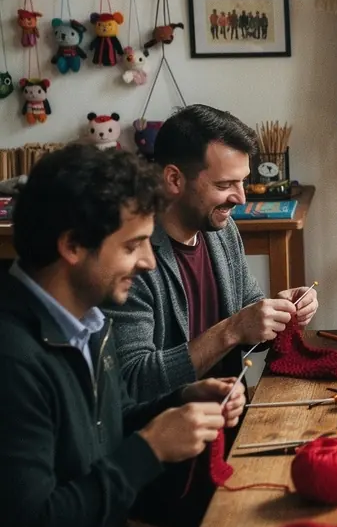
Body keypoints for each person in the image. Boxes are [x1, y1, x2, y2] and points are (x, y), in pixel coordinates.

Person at [0, 145, 246, 527]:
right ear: (72, 246)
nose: (150, 261)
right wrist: (150, 449)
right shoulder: (13, 360)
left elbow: (99, 438)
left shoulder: (88, 323)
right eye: (134, 245)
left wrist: (179, 401)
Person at [106, 104, 318, 402]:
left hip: (227, 419)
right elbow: (134, 380)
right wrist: (232, 330)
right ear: (174, 179)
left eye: (242, 181)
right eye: (224, 184)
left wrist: (278, 315)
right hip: (168, 437)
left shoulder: (222, 231)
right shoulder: (132, 256)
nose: (241, 198)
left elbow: (248, 326)